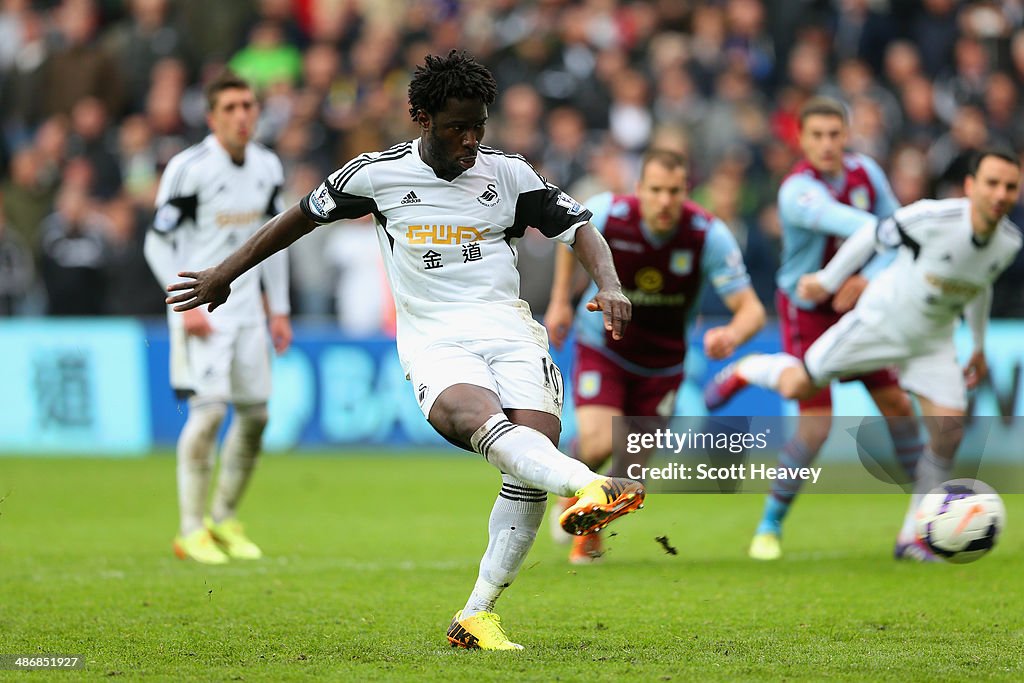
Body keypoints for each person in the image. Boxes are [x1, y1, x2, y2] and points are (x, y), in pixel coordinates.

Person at [164, 51, 645, 651]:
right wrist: (225, 273)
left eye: (479, 126)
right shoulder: (376, 175)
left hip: (511, 330)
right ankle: (588, 483)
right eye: (455, 128)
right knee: (475, 418)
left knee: (527, 466)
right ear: (421, 117)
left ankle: (476, 615)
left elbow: (580, 228)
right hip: (435, 337)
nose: (470, 141)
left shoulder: (511, 174)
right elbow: (296, 219)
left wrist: (610, 283)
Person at [705, 147, 1022, 559]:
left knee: (949, 430)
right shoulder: (932, 216)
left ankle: (915, 536)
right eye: (992, 183)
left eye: (1010, 186)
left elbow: (980, 284)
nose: (1000, 194)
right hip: (879, 323)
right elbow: (872, 234)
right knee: (800, 383)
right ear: (970, 187)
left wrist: (977, 345)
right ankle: (750, 368)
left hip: (933, 341)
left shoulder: (1008, 241)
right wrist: (828, 279)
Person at [714, 96, 923, 562]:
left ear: (846, 136)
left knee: (897, 404)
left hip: (859, 306)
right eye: (818, 136)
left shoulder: (866, 173)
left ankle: (923, 520)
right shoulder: (797, 191)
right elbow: (871, 227)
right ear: (802, 140)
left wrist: (868, 277)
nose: (827, 144)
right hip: (807, 308)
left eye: (835, 134)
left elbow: (893, 238)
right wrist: (883, 243)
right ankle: (769, 524)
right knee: (816, 427)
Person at [543, 148, 766, 564]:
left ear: (687, 192)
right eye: (657, 190)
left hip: (663, 363)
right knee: (595, 443)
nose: (665, 201)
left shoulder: (706, 234)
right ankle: (577, 498)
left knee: (630, 475)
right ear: (639, 189)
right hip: (603, 344)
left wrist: (732, 334)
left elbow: (752, 310)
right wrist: (559, 302)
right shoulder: (608, 213)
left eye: (674, 192)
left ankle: (587, 529)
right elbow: (565, 237)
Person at [144, 70, 293, 566]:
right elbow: (155, 241)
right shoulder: (190, 168)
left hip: (250, 310)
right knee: (208, 414)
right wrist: (181, 306)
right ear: (212, 117)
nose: (242, 115)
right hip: (201, 309)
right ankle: (190, 529)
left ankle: (224, 518)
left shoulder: (268, 167)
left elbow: (275, 244)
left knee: (257, 415)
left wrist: (281, 310)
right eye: (230, 107)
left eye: (248, 105)